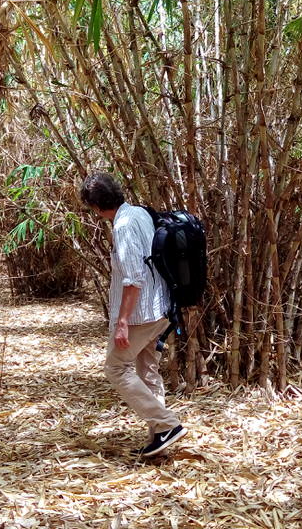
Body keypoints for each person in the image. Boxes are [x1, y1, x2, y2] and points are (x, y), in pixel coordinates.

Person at [79, 172, 187, 458]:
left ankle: (167, 423)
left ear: (96, 206)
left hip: (141, 313)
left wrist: (123, 321)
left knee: (116, 368)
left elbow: (133, 278)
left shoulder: (123, 225)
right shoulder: (140, 213)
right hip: (162, 306)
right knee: (146, 368)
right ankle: (160, 439)